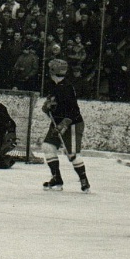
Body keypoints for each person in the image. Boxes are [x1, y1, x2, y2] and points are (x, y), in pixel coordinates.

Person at [40, 58, 89, 192]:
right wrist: (47, 108)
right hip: (58, 123)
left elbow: (73, 110)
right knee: (48, 147)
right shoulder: (54, 86)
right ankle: (57, 179)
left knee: (72, 154)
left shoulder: (66, 87)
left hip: (72, 124)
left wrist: (64, 124)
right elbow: (53, 106)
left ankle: (84, 181)